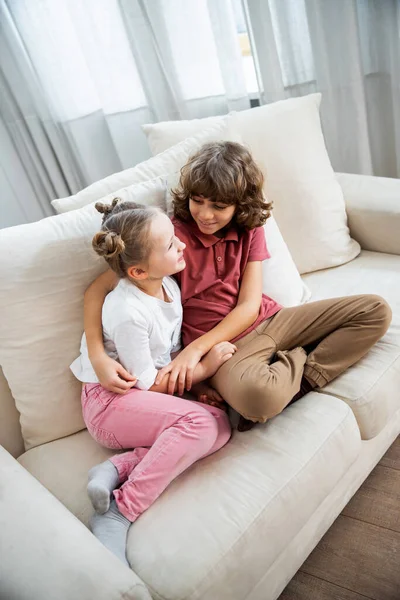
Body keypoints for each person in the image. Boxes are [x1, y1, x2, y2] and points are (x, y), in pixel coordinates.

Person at [84, 141, 392, 433]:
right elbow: (98, 289)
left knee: (375, 311)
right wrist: (98, 357)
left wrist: (193, 350)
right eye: (198, 201)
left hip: (273, 320)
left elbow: (249, 306)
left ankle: (303, 378)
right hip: (226, 350)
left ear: (239, 205)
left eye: (218, 205)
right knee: (259, 399)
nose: (205, 214)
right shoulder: (169, 240)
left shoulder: (250, 230)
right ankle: (300, 359)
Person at [70, 198, 232, 565]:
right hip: (110, 403)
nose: (183, 245)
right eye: (171, 244)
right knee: (199, 423)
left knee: (220, 427)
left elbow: (166, 358)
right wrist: (203, 370)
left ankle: (116, 468)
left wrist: (197, 388)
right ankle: (119, 512)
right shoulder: (127, 310)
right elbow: (146, 383)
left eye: (176, 238)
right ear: (139, 271)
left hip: (139, 394)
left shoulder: (167, 285)